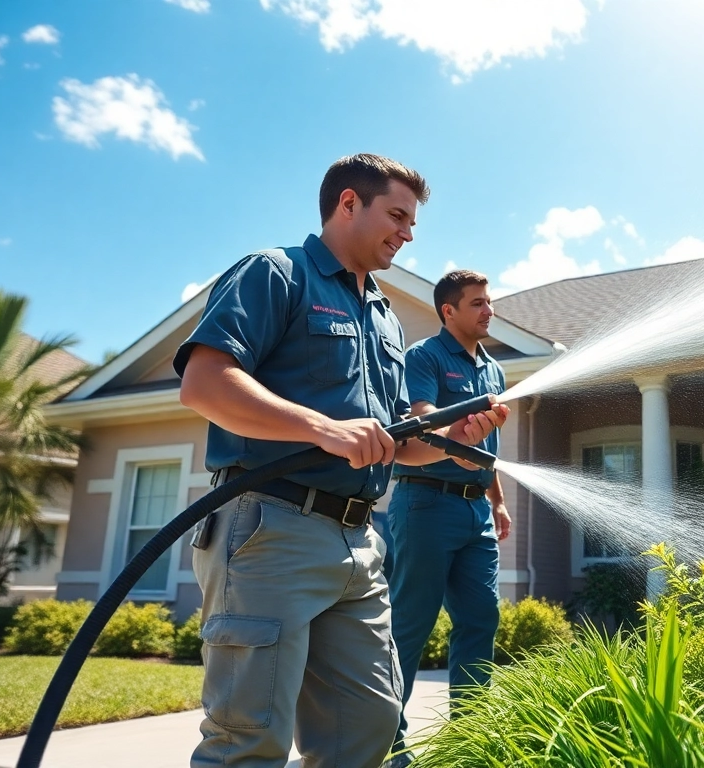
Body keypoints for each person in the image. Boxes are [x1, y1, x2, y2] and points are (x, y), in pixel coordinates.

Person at [174, 154, 508, 768]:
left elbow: (391, 440)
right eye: (398, 216)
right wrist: (321, 428)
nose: (408, 234)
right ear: (349, 203)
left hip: (358, 539)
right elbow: (205, 384)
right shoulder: (277, 273)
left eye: (413, 223)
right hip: (270, 530)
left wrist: (454, 439)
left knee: (366, 731)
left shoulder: (383, 316)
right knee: (249, 738)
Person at [385, 269, 510, 766]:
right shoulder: (425, 357)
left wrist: (497, 500)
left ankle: (469, 741)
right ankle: (389, 743)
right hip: (426, 503)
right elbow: (424, 418)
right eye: (477, 303)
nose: (488, 310)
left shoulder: (494, 371)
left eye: (489, 301)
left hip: (475, 508)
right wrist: (456, 436)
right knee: (411, 624)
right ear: (448, 311)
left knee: (481, 617)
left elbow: (488, 448)